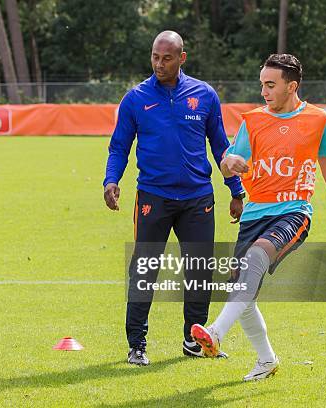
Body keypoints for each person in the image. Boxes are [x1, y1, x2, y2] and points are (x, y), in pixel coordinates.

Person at [190, 53, 326, 381]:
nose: (264, 91)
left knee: (255, 259)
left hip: (293, 212)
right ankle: (267, 360)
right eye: (261, 85)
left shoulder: (318, 120)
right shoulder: (252, 120)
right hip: (255, 214)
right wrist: (231, 164)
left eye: (271, 85)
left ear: (291, 86)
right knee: (243, 293)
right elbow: (228, 160)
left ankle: (215, 332)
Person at [103, 30, 245, 365]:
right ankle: (137, 345)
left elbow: (221, 146)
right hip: (154, 196)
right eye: (155, 56)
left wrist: (236, 190)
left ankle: (193, 342)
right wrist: (111, 180)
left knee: (198, 272)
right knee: (145, 270)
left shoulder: (204, 95)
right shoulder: (136, 98)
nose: (159, 64)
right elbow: (119, 147)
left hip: (198, 198)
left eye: (167, 58)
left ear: (182, 58)